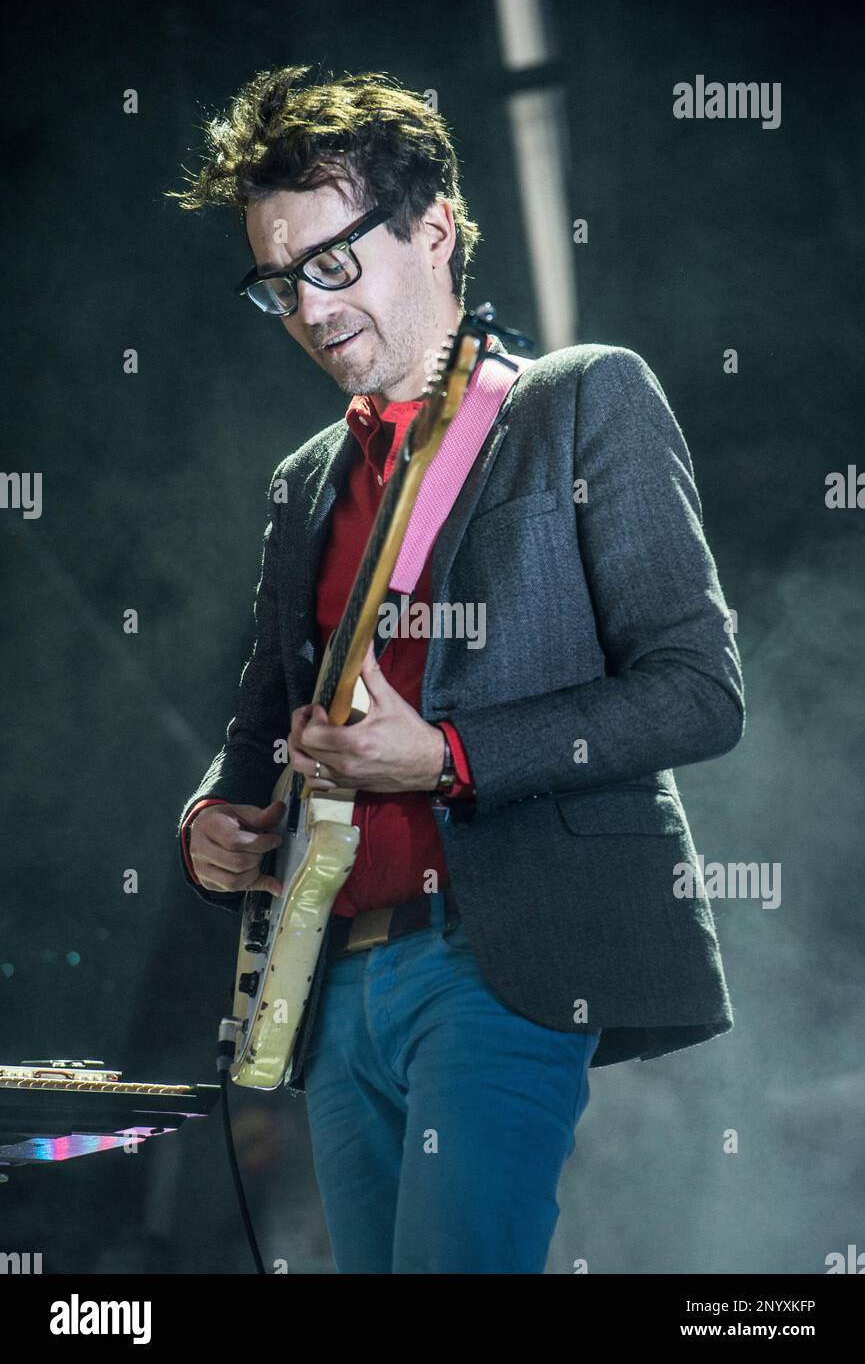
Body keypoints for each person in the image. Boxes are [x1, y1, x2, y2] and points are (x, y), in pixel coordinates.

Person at [170, 66, 745, 1274]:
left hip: (502, 957)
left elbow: (698, 689)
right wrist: (213, 822)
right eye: (276, 283)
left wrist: (448, 757)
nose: (307, 309)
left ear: (434, 229)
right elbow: (259, 735)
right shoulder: (304, 478)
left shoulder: (582, 399)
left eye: (331, 264)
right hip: (336, 982)